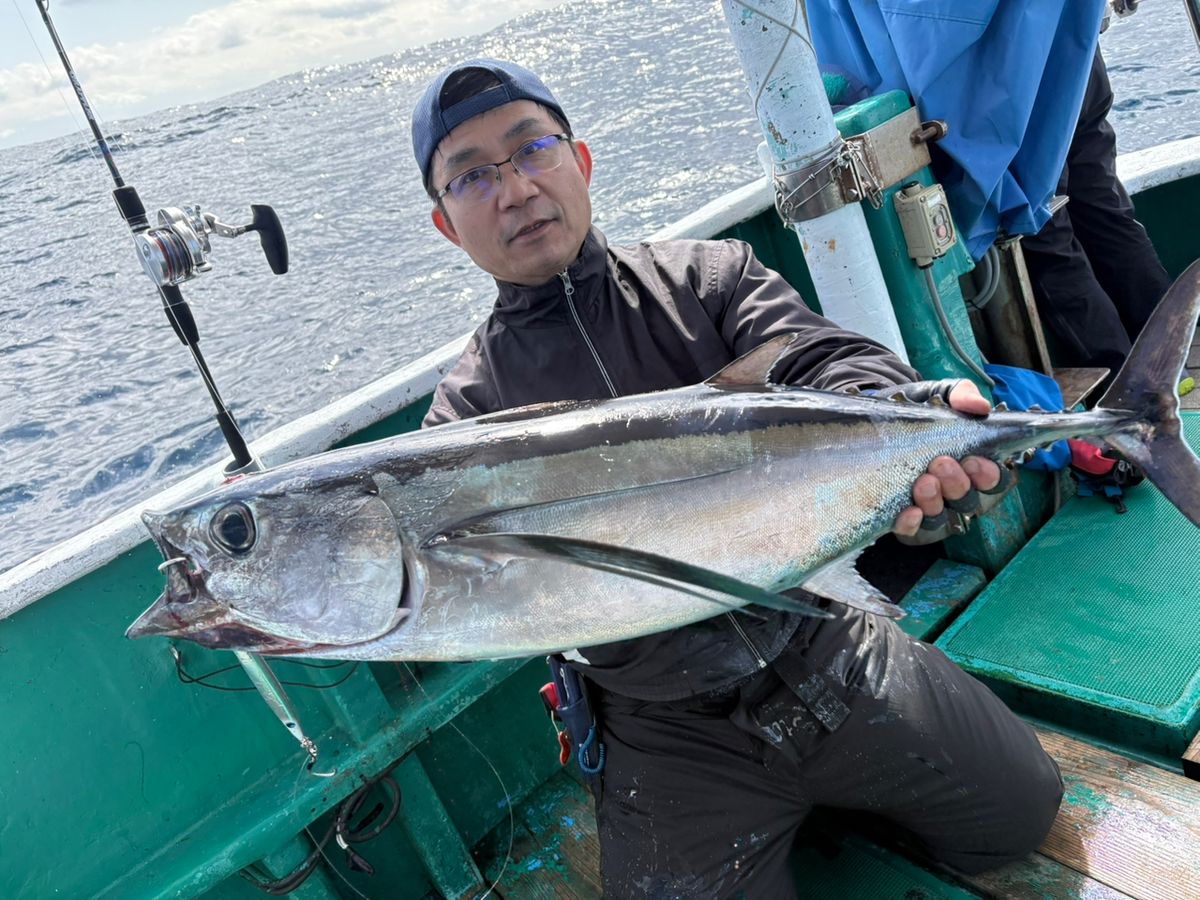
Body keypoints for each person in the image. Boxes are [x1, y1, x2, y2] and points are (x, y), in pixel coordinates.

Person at [411, 58, 1063, 897]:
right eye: (472, 175)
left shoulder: (710, 281)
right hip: (665, 731)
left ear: (580, 161)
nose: (514, 188)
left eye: (532, 147)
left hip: (825, 644)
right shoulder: (463, 419)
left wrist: (916, 419)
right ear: (444, 224)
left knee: (1020, 815)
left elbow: (832, 365)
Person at [1021, 45, 1172, 382]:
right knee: (1106, 210)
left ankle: (1127, 387)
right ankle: (1169, 357)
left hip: (1018, 75)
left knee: (1046, 235)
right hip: (1077, 53)